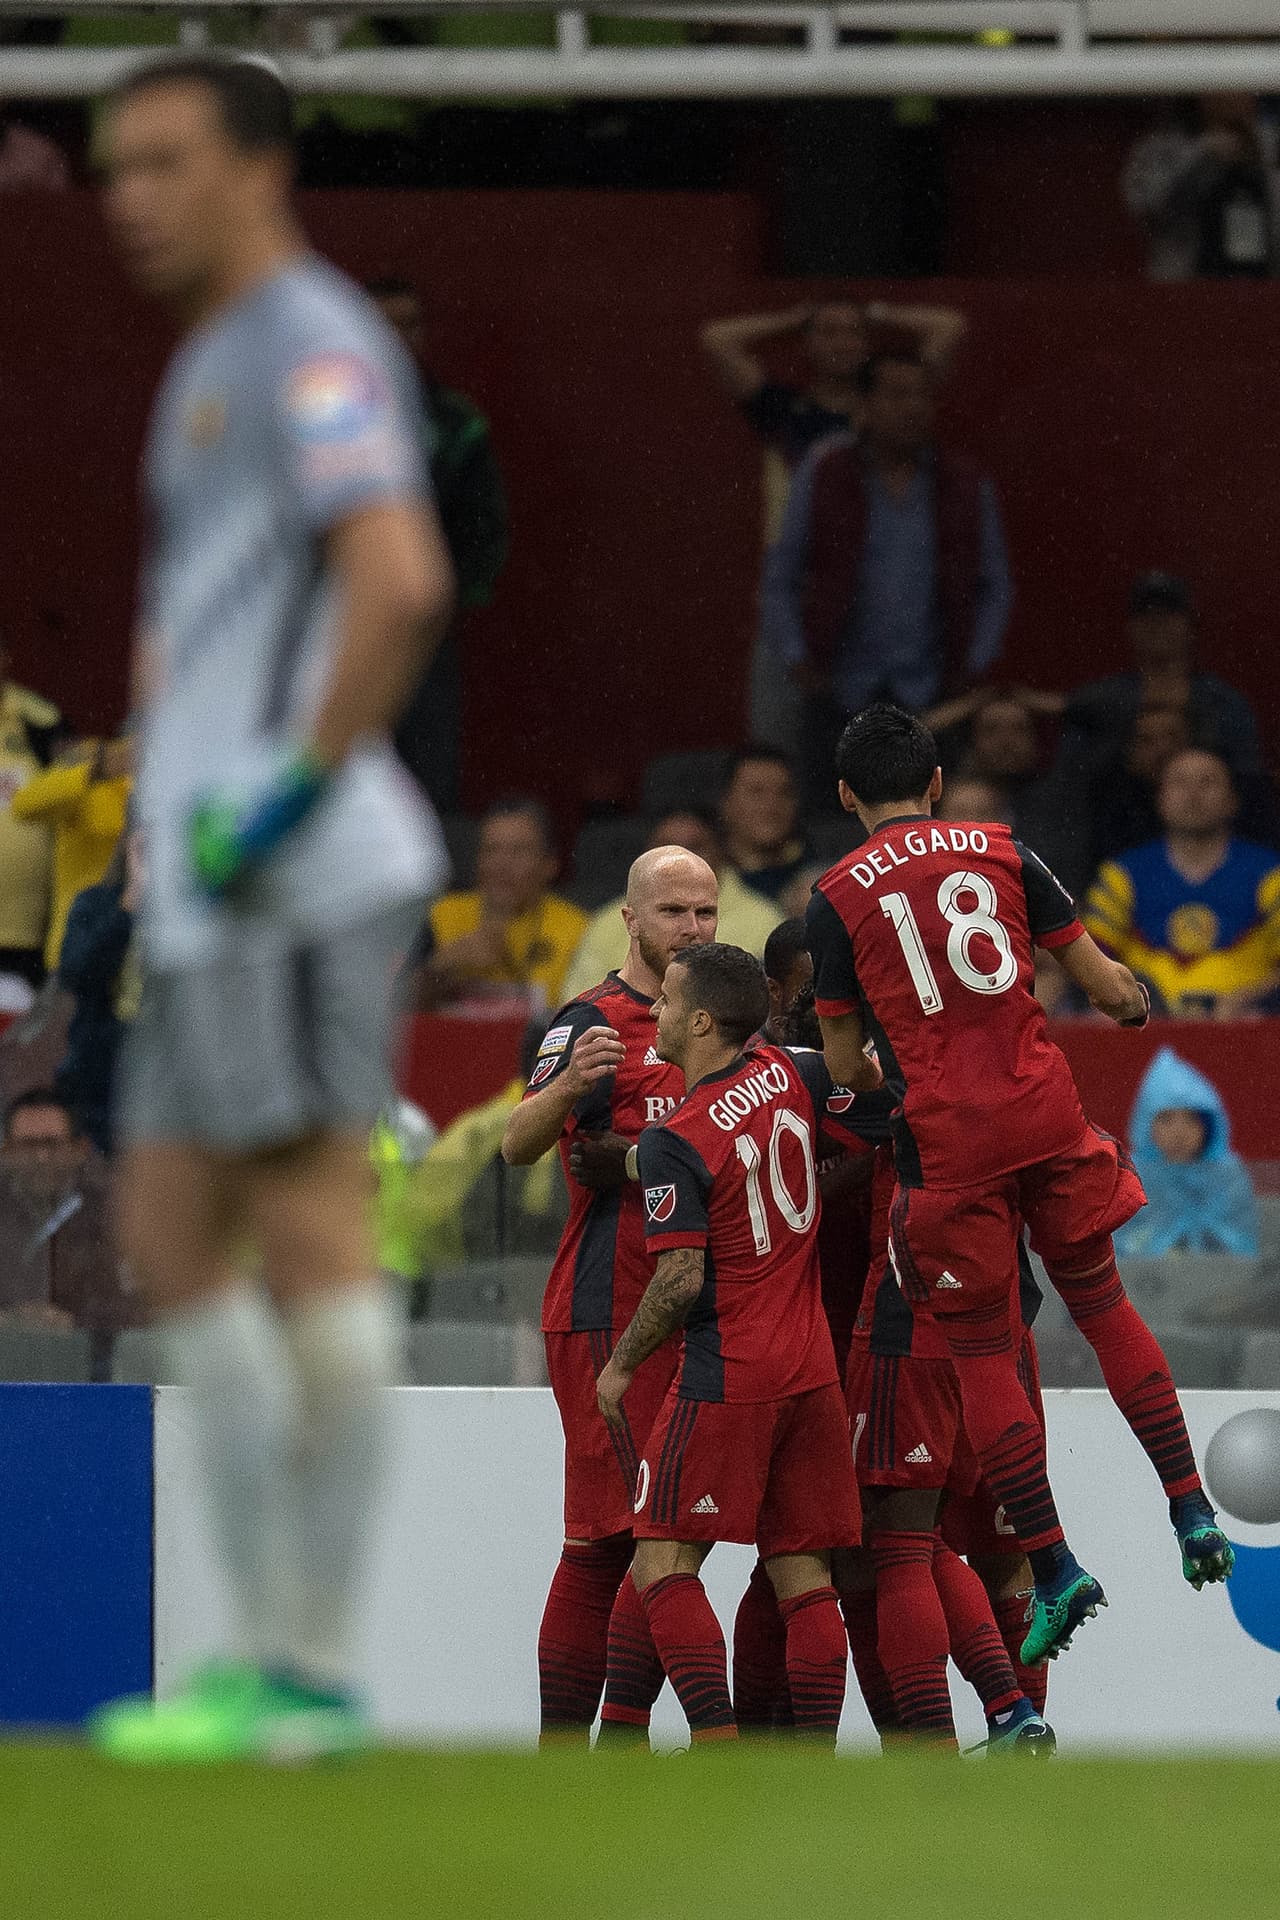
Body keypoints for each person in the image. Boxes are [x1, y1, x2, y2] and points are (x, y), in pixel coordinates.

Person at [91, 53, 454, 1763]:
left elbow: (402, 581)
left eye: (165, 160)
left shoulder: (310, 341)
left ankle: (301, 1673)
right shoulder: (201, 365)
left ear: (258, 165)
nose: (130, 196)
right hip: (206, 890)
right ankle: (271, 1663)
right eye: (112, 167)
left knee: (303, 1230)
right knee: (170, 1236)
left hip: (292, 881)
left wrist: (288, 791)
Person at [806, 703, 1233, 1667]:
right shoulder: (1003, 848)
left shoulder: (835, 898)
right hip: (1042, 1116)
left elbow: (842, 1062)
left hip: (948, 1151)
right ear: (935, 785)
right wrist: (1133, 1002)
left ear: (844, 797)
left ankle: (1053, 1567)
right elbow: (1110, 990)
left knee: (983, 1355)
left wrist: (885, 1066)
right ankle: (1191, 1507)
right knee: (1103, 1304)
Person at [595, 943, 865, 1746]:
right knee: (805, 1575)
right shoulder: (795, 1072)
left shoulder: (676, 1138)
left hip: (729, 1373)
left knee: (661, 1562)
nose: (656, 1013)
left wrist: (619, 1366)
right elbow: (872, 1089)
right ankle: (810, 1766)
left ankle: (717, 1745)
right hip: (811, 1368)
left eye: (669, 1002)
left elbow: (680, 1278)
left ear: (703, 1020)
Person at [500, 844, 718, 1743]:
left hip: (690, 1312)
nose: (693, 928)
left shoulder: (719, 1022)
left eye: (705, 912)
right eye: (674, 912)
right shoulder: (590, 1021)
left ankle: (622, 1738)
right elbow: (516, 1143)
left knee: (661, 1538)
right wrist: (569, 1088)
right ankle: (565, 1751)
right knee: (604, 1540)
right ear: (629, 919)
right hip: (605, 1313)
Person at [761, 353, 1011, 809]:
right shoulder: (825, 473)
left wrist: (976, 662)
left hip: (935, 691)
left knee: (932, 822)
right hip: (837, 686)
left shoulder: (963, 482)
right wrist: (797, 656)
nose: (912, 407)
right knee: (833, 819)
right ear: (865, 405)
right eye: (897, 395)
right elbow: (780, 577)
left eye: (921, 395)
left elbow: (995, 585)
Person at [369, 276, 508, 814]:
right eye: (383, 324)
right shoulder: (320, 416)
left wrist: (449, 601)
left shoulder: (455, 423)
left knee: (426, 785)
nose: (396, 337)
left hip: (425, 637)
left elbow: (485, 527)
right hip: (337, 633)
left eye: (408, 324)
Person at [699, 297, 968, 541]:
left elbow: (949, 326)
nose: (842, 344)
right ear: (807, 343)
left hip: (885, 551)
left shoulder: (891, 405)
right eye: (829, 333)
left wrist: (874, 313)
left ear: (866, 343)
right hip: (807, 556)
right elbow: (717, 338)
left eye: (854, 333)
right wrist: (795, 320)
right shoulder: (782, 407)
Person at [1083, 749, 1280, 1018]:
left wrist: (1250, 1000)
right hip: (1142, 1029)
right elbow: (1088, 962)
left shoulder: (1271, 875)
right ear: (1160, 799)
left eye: (1207, 782)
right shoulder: (1121, 875)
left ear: (1233, 800)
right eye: (1179, 782)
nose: (1193, 794)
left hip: (1245, 1027)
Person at [561, 807, 778, 1004]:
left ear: (720, 851)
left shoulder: (765, 921)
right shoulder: (605, 924)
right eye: (667, 846)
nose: (680, 858)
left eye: (695, 847)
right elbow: (580, 1004)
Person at [1062, 573, 1263, 784]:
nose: (1157, 623)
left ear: (1190, 626)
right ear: (1130, 628)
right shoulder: (1098, 701)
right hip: (1116, 812)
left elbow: (1247, 784)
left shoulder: (1225, 702)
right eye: (1146, 614)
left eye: (1169, 614)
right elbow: (1070, 780)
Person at [418, 798, 587, 1012]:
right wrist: (439, 969)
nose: (501, 865)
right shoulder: (441, 915)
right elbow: (393, 1010)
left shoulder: (578, 929)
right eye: (491, 850)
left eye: (519, 851)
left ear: (550, 864)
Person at [1116, 1047, 1259, 1260]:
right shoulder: (1132, 1177)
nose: (1179, 1132)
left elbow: (1243, 1246)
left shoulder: (1228, 1175)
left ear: (1209, 1124)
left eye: (1191, 1119)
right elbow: (1120, 1245)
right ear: (1146, 1123)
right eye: (1165, 1119)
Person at [1124, 95, 1280, 281]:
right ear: (1202, 97)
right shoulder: (1163, 145)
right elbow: (1144, 203)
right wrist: (1202, 153)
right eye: (1221, 88)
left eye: (1242, 88)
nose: (1232, 97)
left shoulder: (1271, 144)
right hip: (1187, 290)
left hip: (1264, 288)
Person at [55, 829, 143, 1156]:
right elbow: (76, 974)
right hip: (104, 1066)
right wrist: (129, 905)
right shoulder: (96, 903)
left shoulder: (197, 915)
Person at [11, 737, 133, 972]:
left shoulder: (185, 761)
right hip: (80, 949)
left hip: (149, 957)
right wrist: (94, 771)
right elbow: (25, 805)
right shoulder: (95, 753)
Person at [718, 746, 811, 902]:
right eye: (756, 792)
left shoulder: (821, 878)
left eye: (784, 793)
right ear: (726, 802)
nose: (771, 806)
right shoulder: (707, 879)